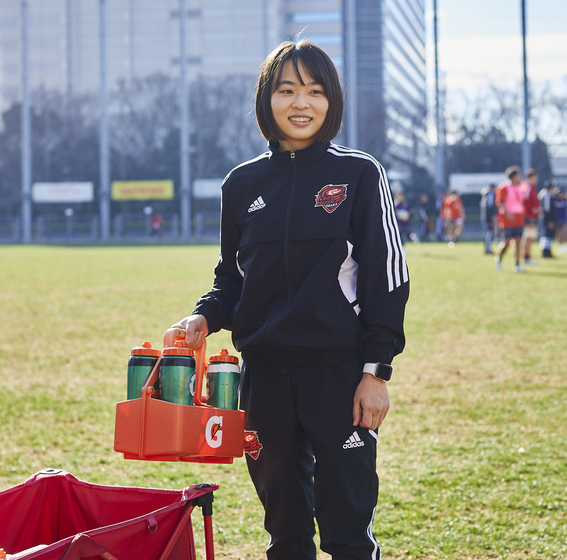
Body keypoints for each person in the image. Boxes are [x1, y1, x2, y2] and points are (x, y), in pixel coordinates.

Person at [165, 40, 409, 560]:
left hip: (338, 376)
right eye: (288, 90)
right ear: (267, 99)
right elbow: (232, 279)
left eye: (316, 91)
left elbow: (387, 279)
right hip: (264, 380)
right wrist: (203, 316)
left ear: (332, 101)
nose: (302, 103)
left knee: (346, 532)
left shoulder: (359, 174)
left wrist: (376, 372)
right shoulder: (242, 184)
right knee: (285, 534)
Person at [495, 166, 526, 272]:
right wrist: (507, 214)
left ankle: (517, 265)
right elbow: (501, 203)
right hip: (508, 219)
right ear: (513, 176)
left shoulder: (521, 187)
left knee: (518, 242)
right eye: (518, 175)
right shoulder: (504, 187)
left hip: (519, 218)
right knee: (507, 242)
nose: (520, 177)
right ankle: (499, 259)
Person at [521, 169, 540, 264]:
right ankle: (526, 257)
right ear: (530, 177)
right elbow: (524, 200)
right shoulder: (527, 187)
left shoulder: (531, 187)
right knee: (528, 236)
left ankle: (527, 256)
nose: (537, 179)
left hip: (532, 216)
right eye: (535, 177)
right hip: (529, 216)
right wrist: (531, 209)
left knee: (530, 237)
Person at [538, 181, 558, 259]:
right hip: (547, 219)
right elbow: (547, 209)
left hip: (547, 219)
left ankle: (548, 251)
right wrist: (550, 221)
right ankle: (546, 252)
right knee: (547, 235)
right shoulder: (546, 195)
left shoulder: (545, 194)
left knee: (548, 236)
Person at [481, 183, 498, 255]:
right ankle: (488, 249)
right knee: (489, 232)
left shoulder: (486, 195)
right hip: (489, 217)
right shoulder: (490, 195)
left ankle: (488, 248)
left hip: (487, 217)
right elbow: (490, 207)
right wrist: (493, 216)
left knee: (489, 232)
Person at [554, 188, 567, 254]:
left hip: (564, 219)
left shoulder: (564, 200)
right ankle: (560, 247)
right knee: (558, 234)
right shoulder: (555, 200)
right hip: (557, 219)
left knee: (565, 233)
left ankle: (565, 246)